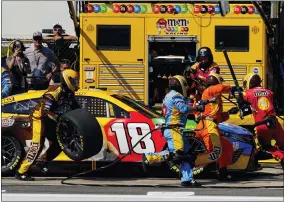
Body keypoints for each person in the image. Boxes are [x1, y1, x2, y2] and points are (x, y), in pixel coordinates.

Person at [15, 69, 80, 181]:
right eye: (74, 81)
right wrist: (59, 118)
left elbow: (76, 108)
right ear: (67, 80)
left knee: (60, 143)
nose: (76, 83)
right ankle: (21, 171)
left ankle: (42, 162)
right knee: (37, 145)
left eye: (76, 81)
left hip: (52, 121)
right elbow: (46, 111)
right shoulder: (54, 92)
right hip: (39, 118)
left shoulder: (69, 93)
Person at [142, 75, 205, 187]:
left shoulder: (168, 96)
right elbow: (183, 109)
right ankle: (150, 157)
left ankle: (187, 179)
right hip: (173, 130)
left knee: (187, 155)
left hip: (175, 129)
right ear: (181, 85)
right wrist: (197, 108)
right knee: (178, 155)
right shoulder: (176, 96)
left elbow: (176, 110)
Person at [194, 73, 240, 181]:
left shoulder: (214, 98)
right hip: (208, 126)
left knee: (227, 147)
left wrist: (229, 112)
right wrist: (232, 88)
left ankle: (223, 172)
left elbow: (218, 118)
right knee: (214, 152)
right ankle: (191, 162)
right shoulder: (209, 91)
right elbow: (220, 88)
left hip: (212, 125)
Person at [242, 73, 284, 170]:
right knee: (282, 144)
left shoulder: (247, 94)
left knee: (264, 147)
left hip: (261, 125)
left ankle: (281, 157)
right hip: (274, 123)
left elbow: (243, 109)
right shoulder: (269, 92)